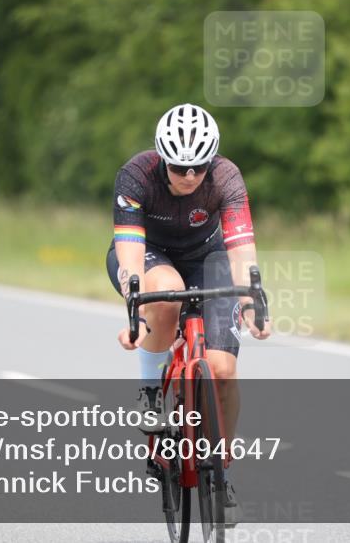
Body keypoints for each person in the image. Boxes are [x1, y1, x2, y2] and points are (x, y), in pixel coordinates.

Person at [105, 102, 270, 524]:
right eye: (180, 168)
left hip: (206, 257)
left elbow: (240, 248)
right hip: (148, 255)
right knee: (166, 292)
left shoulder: (226, 177)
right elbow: (130, 251)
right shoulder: (137, 175)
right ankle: (151, 393)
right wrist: (135, 303)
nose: (191, 176)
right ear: (163, 159)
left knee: (222, 370)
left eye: (199, 167)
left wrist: (251, 302)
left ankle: (221, 472)